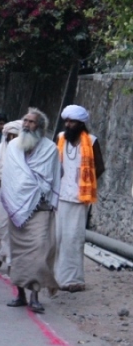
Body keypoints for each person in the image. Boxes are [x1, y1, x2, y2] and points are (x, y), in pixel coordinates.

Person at [1, 108, 61, 313]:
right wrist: (14, 198)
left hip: (40, 209)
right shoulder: (13, 148)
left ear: (40, 127)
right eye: (25, 121)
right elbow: (9, 178)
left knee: (38, 254)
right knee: (17, 255)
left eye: (32, 122)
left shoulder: (50, 149)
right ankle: (20, 295)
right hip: (17, 211)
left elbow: (51, 178)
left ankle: (35, 295)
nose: (26, 125)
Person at [55, 105, 104, 292]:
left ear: (81, 123)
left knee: (73, 239)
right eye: (66, 121)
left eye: (72, 121)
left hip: (79, 198)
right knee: (57, 237)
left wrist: (85, 181)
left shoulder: (91, 141)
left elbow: (99, 167)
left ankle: (73, 280)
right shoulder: (60, 138)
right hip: (59, 196)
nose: (68, 124)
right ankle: (56, 278)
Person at [0, 120, 22, 270]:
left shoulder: (25, 152)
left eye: (14, 136)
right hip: (2, 195)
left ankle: (10, 261)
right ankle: (1, 254)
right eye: (9, 136)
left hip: (20, 197)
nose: (11, 139)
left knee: (15, 230)